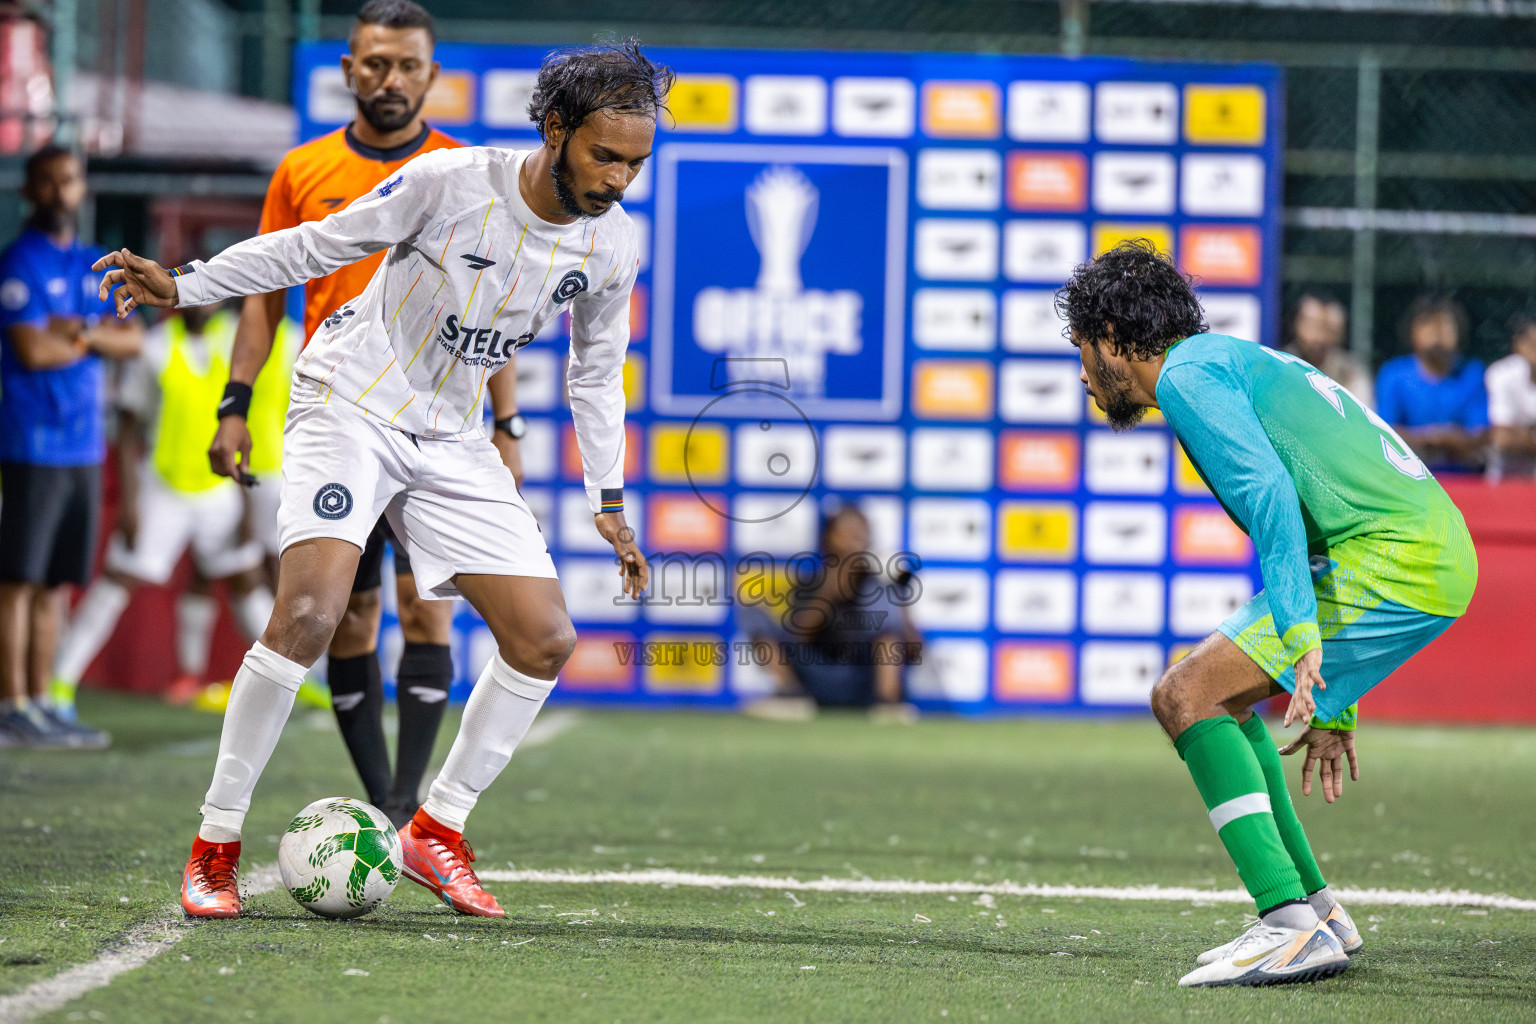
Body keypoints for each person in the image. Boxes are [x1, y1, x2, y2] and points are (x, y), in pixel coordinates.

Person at [96, 39, 665, 920]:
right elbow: (314, 248)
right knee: (311, 616)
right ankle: (214, 845)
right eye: (605, 156)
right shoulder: (449, 182)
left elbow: (596, 374)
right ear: (555, 130)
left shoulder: (615, 242)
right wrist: (184, 284)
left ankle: (436, 832)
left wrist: (610, 501)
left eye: (635, 162)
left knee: (545, 639)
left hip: (452, 436)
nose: (620, 178)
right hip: (350, 403)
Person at [1059, 240, 1476, 988]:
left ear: (1116, 340)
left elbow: (1274, 497)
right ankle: (1314, 911)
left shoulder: (1187, 377)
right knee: (1214, 686)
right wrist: (1336, 699)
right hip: (1420, 549)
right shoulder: (1220, 361)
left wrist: (1299, 632)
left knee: (1184, 694)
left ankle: (1287, 921)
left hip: (1397, 556)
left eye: (1084, 350)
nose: (1083, 375)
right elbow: (1326, 501)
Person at [210, 0, 526, 827]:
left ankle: (404, 801)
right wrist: (233, 405)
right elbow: (259, 297)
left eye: (408, 66)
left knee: (426, 604)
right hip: (341, 423)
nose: (391, 80)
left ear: (432, 75)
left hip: (437, 426)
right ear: (348, 70)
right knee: (343, 613)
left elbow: (494, 311)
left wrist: (509, 425)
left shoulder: (468, 172)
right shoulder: (302, 171)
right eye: (375, 64)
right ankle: (382, 802)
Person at [50, 301, 274, 703]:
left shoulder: (233, 342)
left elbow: (243, 425)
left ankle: (294, 683)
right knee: (119, 579)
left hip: (219, 489)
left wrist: (242, 499)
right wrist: (129, 505)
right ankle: (60, 681)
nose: (205, 303)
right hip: (164, 488)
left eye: (213, 294)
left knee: (247, 580)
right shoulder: (154, 348)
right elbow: (128, 432)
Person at [0, 144, 142, 748]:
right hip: (32, 441)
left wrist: (75, 332)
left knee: (56, 583)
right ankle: (13, 704)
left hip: (85, 446)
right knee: (18, 581)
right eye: (50, 183)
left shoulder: (91, 264)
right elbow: (33, 351)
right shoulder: (20, 263)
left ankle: (45, 702)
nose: (63, 192)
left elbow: (133, 339)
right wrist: (95, 336)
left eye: (71, 181)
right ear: (31, 192)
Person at [740, 504, 917, 721]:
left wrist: (900, 597)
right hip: (816, 679)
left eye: (861, 535)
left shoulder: (879, 585)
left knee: (882, 603)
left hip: (863, 681)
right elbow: (799, 639)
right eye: (849, 535)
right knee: (752, 612)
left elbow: (915, 651)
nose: (857, 542)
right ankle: (790, 697)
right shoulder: (811, 583)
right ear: (829, 539)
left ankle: (888, 705)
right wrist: (835, 587)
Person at [1375, 296, 1488, 472]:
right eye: (1427, 323)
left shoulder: (1472, 372)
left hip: (1465, 479)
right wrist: (1436, 438)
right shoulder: (1393, 374)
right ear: (1412, 331)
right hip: (1407, 477)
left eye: (1444, 324)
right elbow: (1385, 434)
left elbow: (1480, 437)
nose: (1437, 331)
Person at [1282, 292, 1372, 409]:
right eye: (1312, 326)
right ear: (1295, 324)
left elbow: (1361, 416)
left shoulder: (1350, 373)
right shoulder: (1279, 364)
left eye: (1330, 330)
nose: (1319, 338)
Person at [1483, 313, 1536, 480]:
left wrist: (1521, 436)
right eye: (1529, 341)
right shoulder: (1501, 373)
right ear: (1517, 344)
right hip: (1504, 479)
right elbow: (1502, 439)